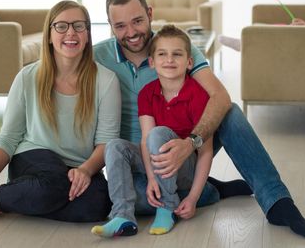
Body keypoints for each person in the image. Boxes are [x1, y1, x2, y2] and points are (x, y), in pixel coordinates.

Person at [93, 0, 305, 239]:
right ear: (110, 26)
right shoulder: (97, 57)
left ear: (150, 13)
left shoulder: (177, 48)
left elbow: (220, 97)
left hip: (186, 150)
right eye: (120, 26)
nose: (131, 33)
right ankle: (208, 191)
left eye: (137, 21)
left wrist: (191, 144)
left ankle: (278, 202)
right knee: (129, 199)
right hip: (141, 165)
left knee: (230, 112)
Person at [0, 0, 121, 223]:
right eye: (61, 26)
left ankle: (7, 202)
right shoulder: (27, 77)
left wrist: (86, 171)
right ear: (49, 35)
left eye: (79, 26)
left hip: (77, 166)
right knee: (54, 183)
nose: (71, 32)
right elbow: (9, 137)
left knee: (99, 204)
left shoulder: (106, 80)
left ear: (87, 34)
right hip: (33, 157)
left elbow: (106, 142)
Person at [92, 25, 225, 237]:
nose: (169, 60)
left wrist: (191, 198)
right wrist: (152, 179)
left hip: (185, 167)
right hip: (157, 163)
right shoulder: (147, 93)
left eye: (177, 54)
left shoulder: (198, 95)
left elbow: (206, 151)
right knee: (115, 145)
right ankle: (123, 216)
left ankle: (168, 206)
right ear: (152, 62)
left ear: (189, 62)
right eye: (162, 54)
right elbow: (145, 141)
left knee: (159, 133)